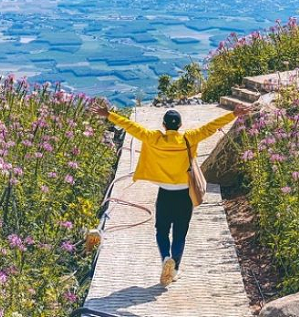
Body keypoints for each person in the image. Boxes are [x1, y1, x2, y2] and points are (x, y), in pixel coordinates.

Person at [90, 102, 251, 286]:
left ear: (164, 126)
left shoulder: (154, 138)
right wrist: (233, 114)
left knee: (161, 231)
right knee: (180, 234)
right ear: (180, 126)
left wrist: (108, 114)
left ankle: (166, 257)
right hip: (185, 194)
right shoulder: (189, 138)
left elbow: (131, 126)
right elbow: (211, 127)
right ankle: (174, 269)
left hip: (165, 194)